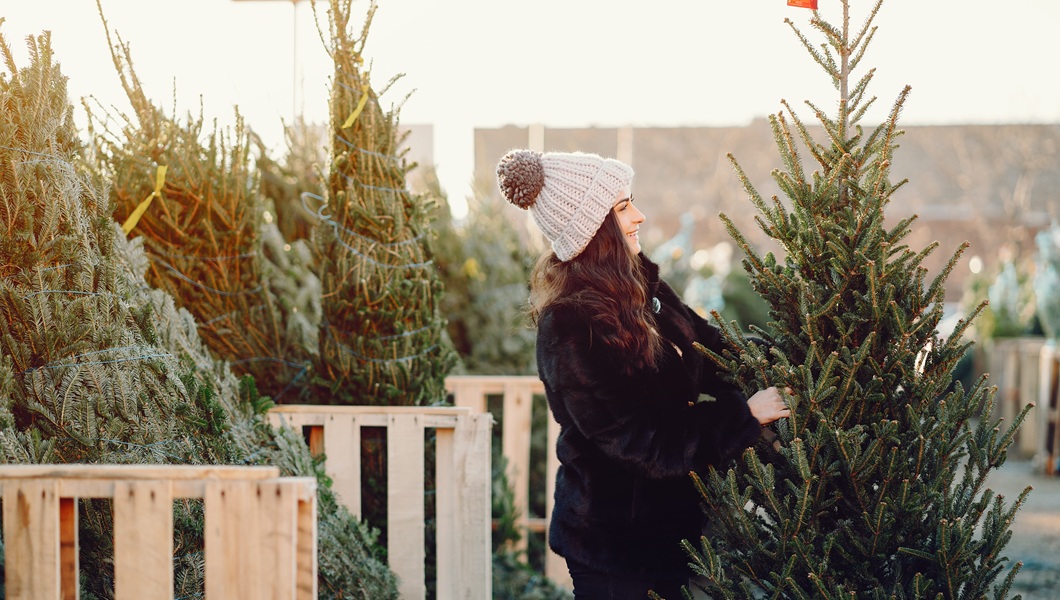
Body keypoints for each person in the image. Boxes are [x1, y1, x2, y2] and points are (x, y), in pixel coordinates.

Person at [496, 149, 791, 599]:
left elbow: (713, 349)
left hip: (672, 536)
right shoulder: (571, 326)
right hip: (615, 547)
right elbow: (641, 443)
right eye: (622, 207)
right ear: (593, 228)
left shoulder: (644, 292)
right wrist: (742, 417)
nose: (639, 215)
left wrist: (793, 351)